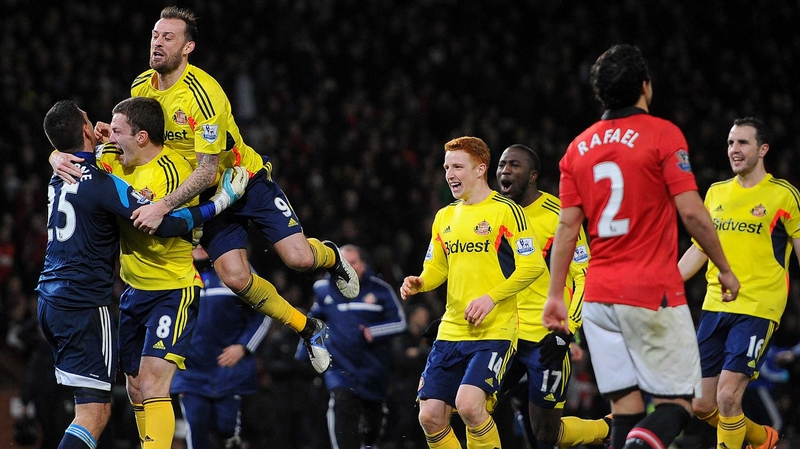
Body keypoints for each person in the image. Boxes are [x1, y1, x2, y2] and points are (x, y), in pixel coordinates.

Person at [49, 6, 357, 375]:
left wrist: (163, 204)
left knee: (300, 260)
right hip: (205, 195)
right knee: (236, 278)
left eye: (168, 38)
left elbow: (208, 169)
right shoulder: (140, 86)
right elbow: (133, 138)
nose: (158, 43)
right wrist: (59, 154)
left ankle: (332, 257)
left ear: (188, 47)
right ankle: (308, 328)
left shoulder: (204, 95)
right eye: (155, 35)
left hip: (243, 179)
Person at [541, 44, 740, 449]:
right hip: (651, 292)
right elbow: (692, 212)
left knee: (625, 409)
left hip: (598, 299)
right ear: (645, 86)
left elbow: (567, 226)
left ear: (600, 93)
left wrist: (555, 294)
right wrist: (723, 266)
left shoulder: (577, 149)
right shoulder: (662, 134)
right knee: (679, 403)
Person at [37, 100, 242, 449]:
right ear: (85, 130)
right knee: (94, 413)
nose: (100, 126)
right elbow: (162, 223)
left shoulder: (60, 174)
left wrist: (54, 155)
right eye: (90, 119)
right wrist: (221, 202)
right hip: (83, 304)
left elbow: (66, 150)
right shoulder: (103, 181)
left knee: (135, 388)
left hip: (49, 299)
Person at [98, 96, 248, 449]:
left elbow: (166, 227)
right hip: (133, 288)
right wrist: (56, 157)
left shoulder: (175, 171)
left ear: (141, 137)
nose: (109, 137)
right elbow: (72, 154)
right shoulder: (114, 159)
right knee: (135, 387)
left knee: (153, 384)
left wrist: (219, 202)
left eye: (116, 131)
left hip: (173, 289)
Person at [400, 136, 546, 449]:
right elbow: (437, 268)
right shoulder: (444, 216)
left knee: (468, 406)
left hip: (495, 330)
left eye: (457, 167)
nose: (449, 174)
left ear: (480, 169)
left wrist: (491, 298)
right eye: (446, 168)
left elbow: (533, 266)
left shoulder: (507, 211)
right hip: (451, 330)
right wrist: (420, 281)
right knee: (430, 416)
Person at [678, 117, 799, 449]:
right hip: (715, 306)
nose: (734, 149)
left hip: (758, 307)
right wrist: (666, 283)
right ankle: (762, 438)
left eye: (743, 142)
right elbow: (700, 248)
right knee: (702, 404)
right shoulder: (716, 193)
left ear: (762, 149)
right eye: (731, 142)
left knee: (728, 395)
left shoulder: (784, 195)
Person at [496, 144, 610, 448]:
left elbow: (585, 275)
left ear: (533, 175)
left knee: (546, 432)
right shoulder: (492, 212)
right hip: (502, 333)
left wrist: (567, 331)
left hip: (545, 338)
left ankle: (605, 428)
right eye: (502, 164)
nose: (505, 170)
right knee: (471, 406)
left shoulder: (558, 215)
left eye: (514, 165)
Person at [303, 244, 407, 449]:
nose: (348, 268)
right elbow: (312, 322)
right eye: (343, 263)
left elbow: (400, 322)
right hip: (339, 368)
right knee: (341, 403)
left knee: (373, 422)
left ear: (363, 264)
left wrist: (374, 331)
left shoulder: (380, 289)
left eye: (353, 263)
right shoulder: (323, 289)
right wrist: (303, 352)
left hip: (372, 369)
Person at [172, 245, 272, 449]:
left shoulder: (237, 267)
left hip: (229, 369)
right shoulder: (175, 272)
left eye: (204, 239)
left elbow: (265, 311)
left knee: (227, 428)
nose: (199, 245)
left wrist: (244, 346)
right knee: (196, 427)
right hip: (190, 371)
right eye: (195, 240)